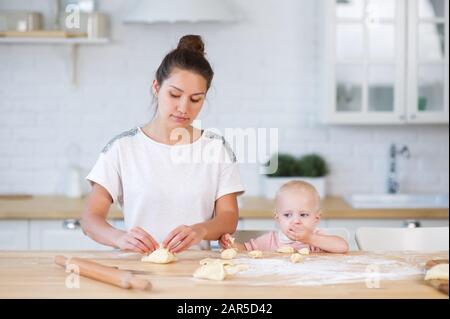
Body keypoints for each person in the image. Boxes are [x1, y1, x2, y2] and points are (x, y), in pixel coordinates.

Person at [81, 35, 245, 254]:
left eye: (196, 99)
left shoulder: (216, 149)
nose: (183, 108)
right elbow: (90, 219)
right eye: (175, 95)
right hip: (138, 271)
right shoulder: (122, 148)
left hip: (197, 273)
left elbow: (228, 218)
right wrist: (119, 238)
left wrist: (201, 230)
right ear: (157, 87)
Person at [220, 181, 349, 253]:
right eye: (287, 215)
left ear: (317, 218)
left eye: (303, 215)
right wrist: (230, 244)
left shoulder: (318, 237)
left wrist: (309, 238)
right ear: (277, 218)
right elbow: (245, 250)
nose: (296, 221)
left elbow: (343, 247)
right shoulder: (270, 240)